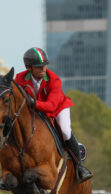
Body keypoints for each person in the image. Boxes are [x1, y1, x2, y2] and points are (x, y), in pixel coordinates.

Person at [14, 47, 93, 183]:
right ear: (29, 68)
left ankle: (80, 167)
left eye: (44, 65)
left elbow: (51, 106)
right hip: (35, 110)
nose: (43, 69)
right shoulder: (20, 79)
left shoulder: (54, 79)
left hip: (58, 107)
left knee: (65, 131)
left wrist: (33, 103)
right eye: (39, 67)